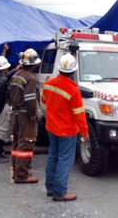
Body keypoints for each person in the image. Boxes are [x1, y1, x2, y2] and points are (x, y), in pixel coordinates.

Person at [41, 53, 88, 201]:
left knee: (53, 157)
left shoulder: (48, 84)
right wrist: (85, 132)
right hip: (67, 130)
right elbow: (79, 114)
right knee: (64, 160)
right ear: (73, 71)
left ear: (59, 68)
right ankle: (60, 192)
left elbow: (43, 99)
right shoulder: (73, 90)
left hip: (51, 127)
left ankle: (50, 187)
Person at [9, 49, 42, 183]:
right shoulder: (31, 78)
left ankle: (17, 170)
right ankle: (22, 175)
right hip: (25, 115)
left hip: (15, 113)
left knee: (17, 143)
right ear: (34, 64)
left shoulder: (16, 75)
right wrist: (33, 115)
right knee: (26, 143)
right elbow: (29, 100)